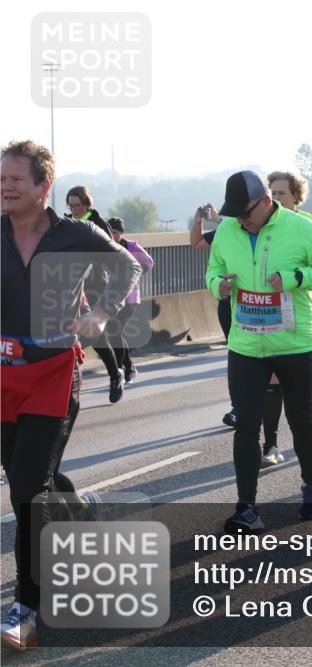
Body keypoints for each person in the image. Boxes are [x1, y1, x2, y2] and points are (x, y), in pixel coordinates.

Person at [1, 140, 141, 649]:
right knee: (27, 481)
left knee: (26, 490)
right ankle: (77, 515)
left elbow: (128, 266)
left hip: (54, 374)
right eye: (1, 179)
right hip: (3, 378)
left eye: (16, 179)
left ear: (44, 186)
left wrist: (101, 313)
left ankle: (26, 610)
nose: (5, 187)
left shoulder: (74, 234)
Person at [205, 170, 312, 532]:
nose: (241, 220)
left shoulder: (302, 228)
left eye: (245, 212)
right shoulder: (227, 230)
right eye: (234, 213)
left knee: (300, 419)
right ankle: (246, 507)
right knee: (246, 424)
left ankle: (310, 486)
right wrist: (218, 285)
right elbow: (213, 269)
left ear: (266, 202)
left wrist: (296, 278)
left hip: (293, 343)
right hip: (246, 344)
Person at [265, 170, 312, 466]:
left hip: (308, 308)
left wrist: (293, 277)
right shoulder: (262, 227)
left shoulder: (310, 224)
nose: (276, 198)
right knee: (272, 378)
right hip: (270, 312)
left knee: (303, 377)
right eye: (272, 193)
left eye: (282, 193)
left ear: (296, 197)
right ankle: (270, 445)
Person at [66, 185, 125, 402]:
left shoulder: (98, 225)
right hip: (70, 287)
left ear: (87, 204)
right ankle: (68, 377)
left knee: (94, 334)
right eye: (71, 206)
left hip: (94, 287)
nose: (74, 210)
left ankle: (115, 375)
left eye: (77, 206)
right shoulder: (67, 224)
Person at [190, 202, 239, 427]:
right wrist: (198, 221)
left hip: (261, 302)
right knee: (237, 354)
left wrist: (218, 218)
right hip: (229, 301)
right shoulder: (225, 231)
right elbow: (197, 242)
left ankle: (271, 398)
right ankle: (239, 407)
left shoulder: (268, 230)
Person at [106, 216, 154, 383]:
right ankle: (128, 368)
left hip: (130, 298)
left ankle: (121, 369)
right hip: (112, 298)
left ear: (121, 233)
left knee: (115, 331)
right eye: (110, 232)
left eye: (115, 232)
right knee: (115, 333)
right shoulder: (105, 247)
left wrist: (133, 274)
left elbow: (149, 262)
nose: (112, 235)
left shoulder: (132, 247)